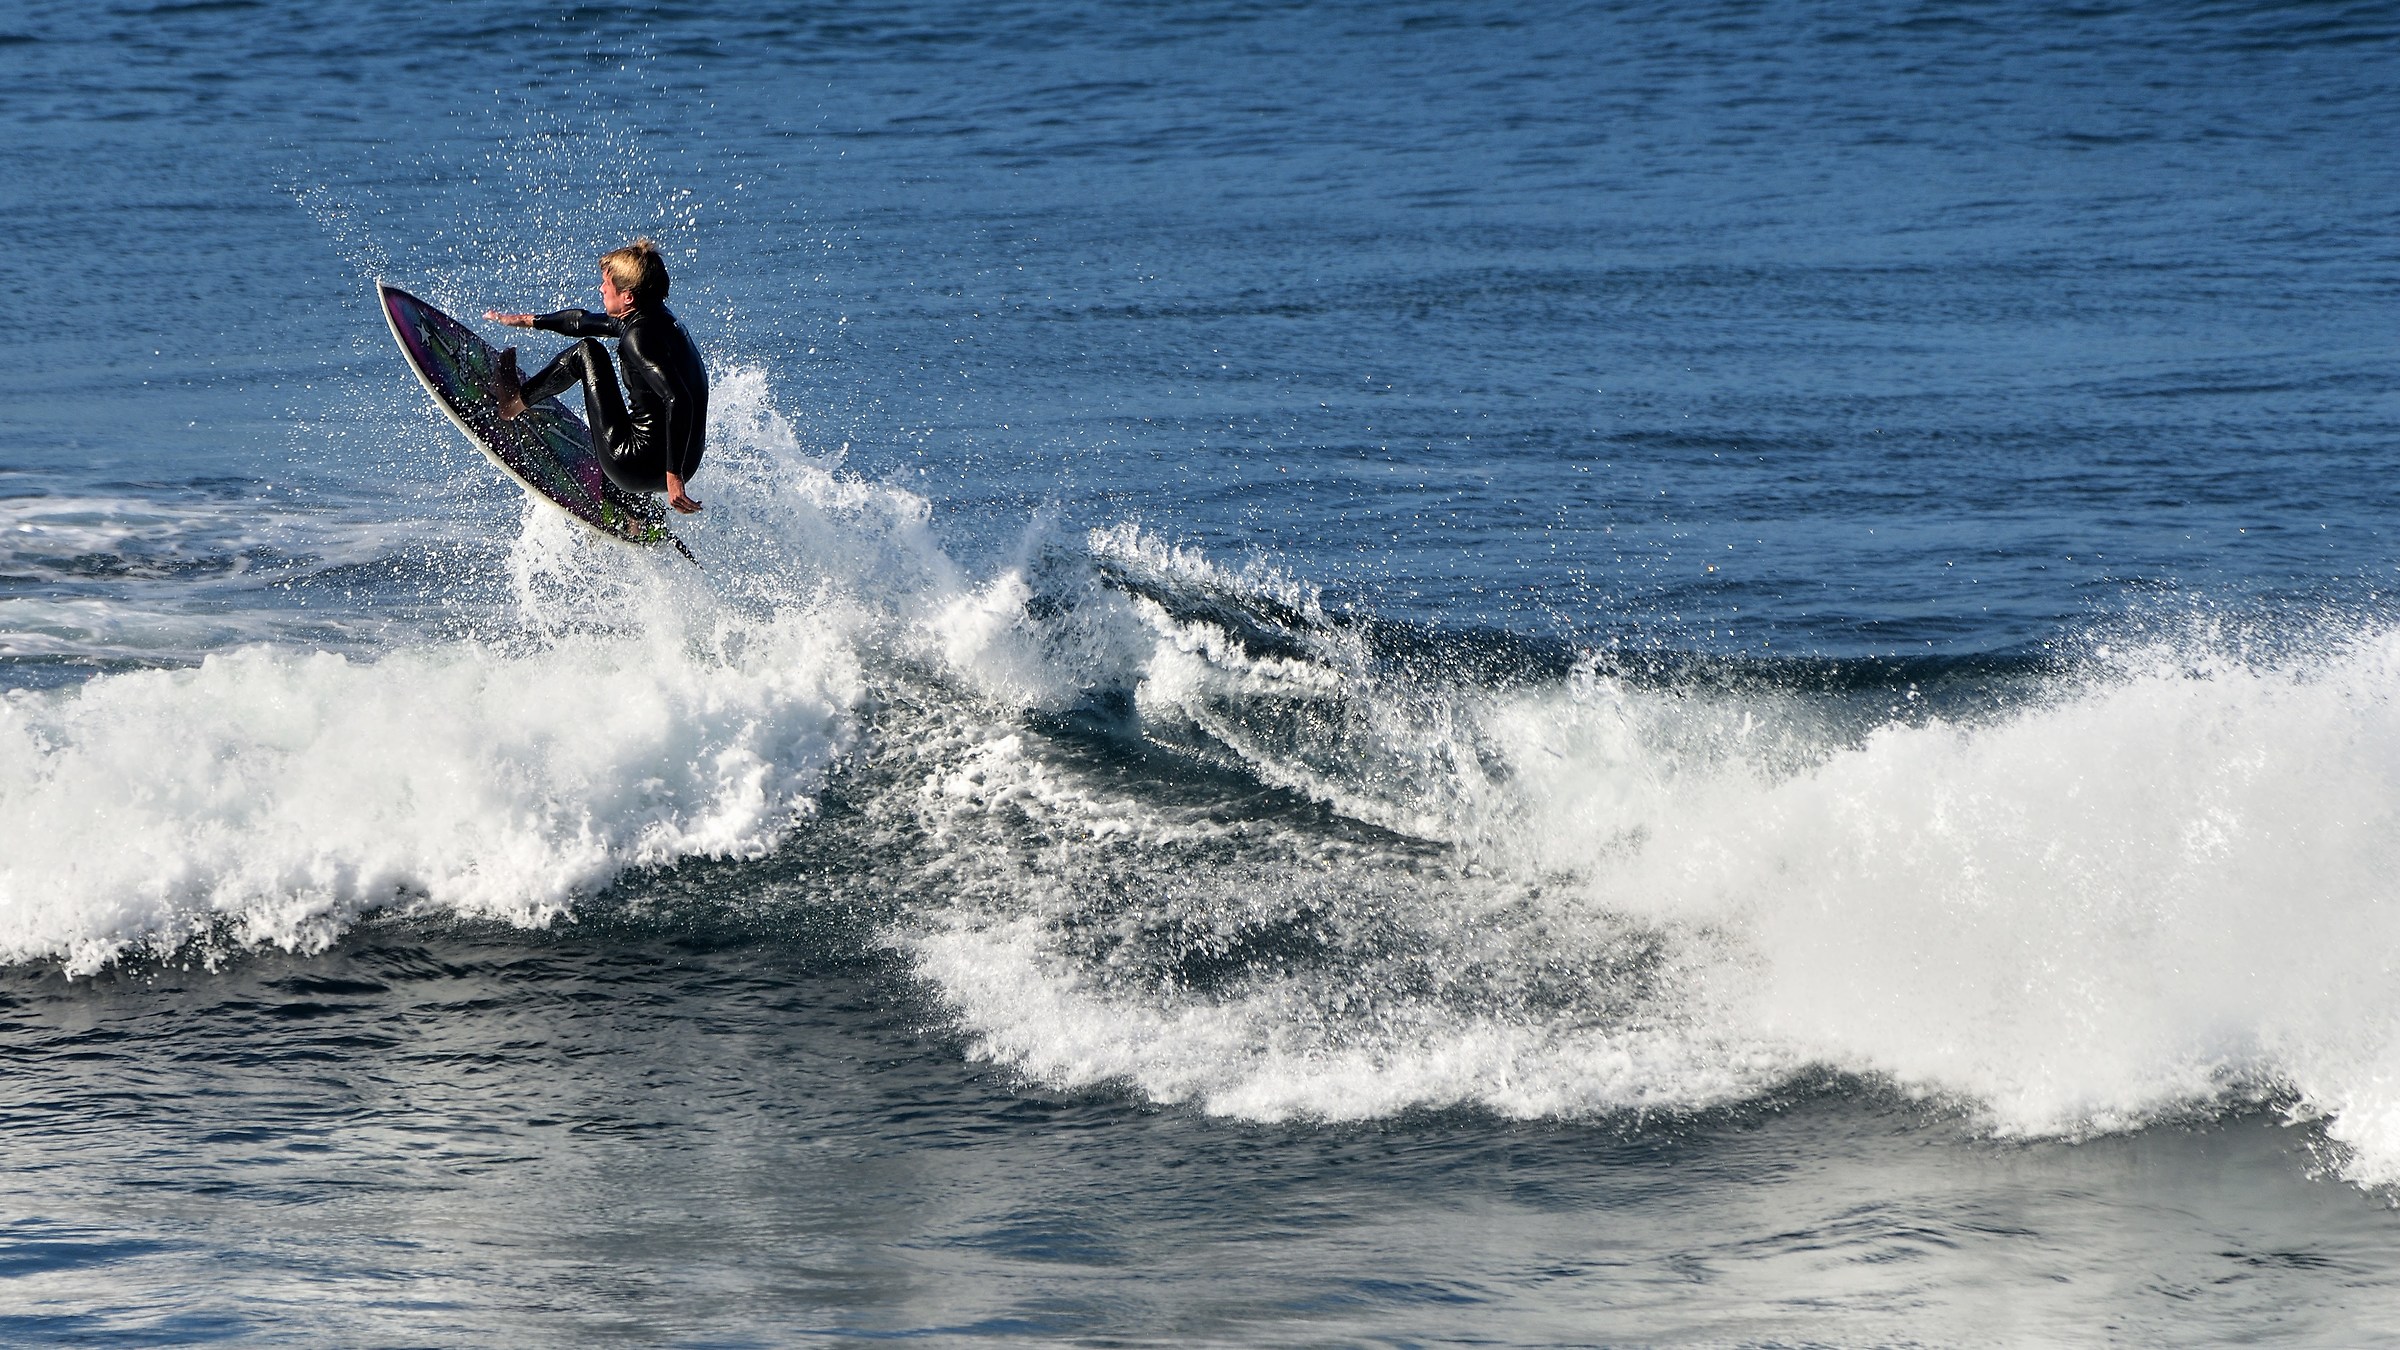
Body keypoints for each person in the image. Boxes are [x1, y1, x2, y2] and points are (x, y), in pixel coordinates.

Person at [485, 239, 708, 515]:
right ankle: (634, 515)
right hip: (686, 462)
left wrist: (673, 479)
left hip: (640, 466)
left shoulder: (637, 336)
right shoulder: (658, 318)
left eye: (607, 283)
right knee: (641, 413)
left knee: (587, 352)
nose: (601, 288)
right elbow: (581, 321)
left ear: (627, 296)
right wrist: (524, 320)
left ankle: (511, 404)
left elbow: (679, 399)